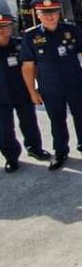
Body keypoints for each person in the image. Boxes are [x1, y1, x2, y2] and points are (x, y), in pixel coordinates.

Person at [20, 0, 82, 171]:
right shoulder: (31, 36)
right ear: (38, 15)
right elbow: (28, 66)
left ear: (59, 13)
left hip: (74, 83)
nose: (50, 17)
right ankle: (61, 152)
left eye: (53, 12)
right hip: (50, 86)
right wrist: (32, 92)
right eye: (45, 13)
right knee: (56, 119)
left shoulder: (72, 30)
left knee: (81, 116)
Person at [0, 13, 51, 173]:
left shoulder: (20, 44)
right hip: (1, 96)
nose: (2, 29)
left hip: (22, 91)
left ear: (11, 27)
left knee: (29, 123)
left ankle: (34, 148)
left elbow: (33, 66)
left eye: (6, 26)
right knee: (4, 129)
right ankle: (11, 157)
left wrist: (34, 89)